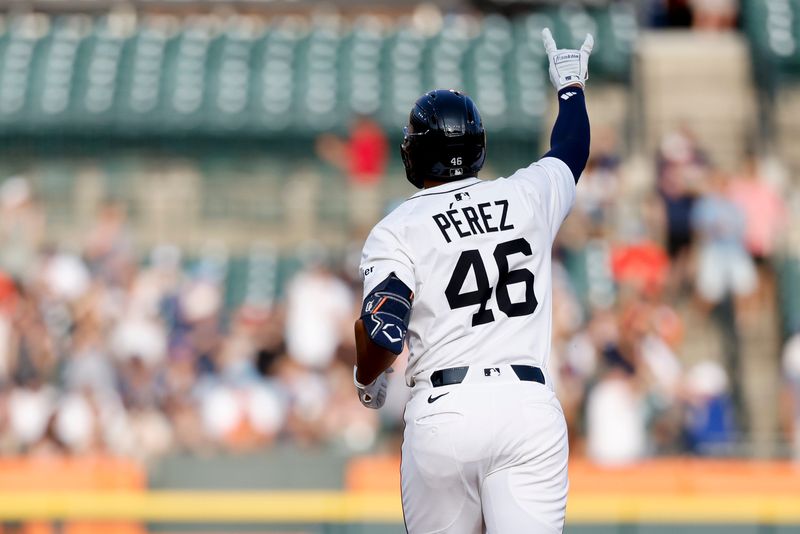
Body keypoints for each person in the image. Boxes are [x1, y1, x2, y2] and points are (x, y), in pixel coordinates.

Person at [352, 29, 593, 534]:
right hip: (527, 407)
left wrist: (367, 377)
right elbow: (571, 148)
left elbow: (382, 331)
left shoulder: (398, 227)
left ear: (414, 153)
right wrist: (570, 89)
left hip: (447, 411)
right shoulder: (526, 195)